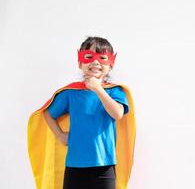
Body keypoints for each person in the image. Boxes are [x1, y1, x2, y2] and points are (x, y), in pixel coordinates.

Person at [27, 36, 136, 189]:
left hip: (104, 165)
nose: (95, 62)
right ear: (80, 63)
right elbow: (48, 113)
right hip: (75, 165)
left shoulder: (114, 91)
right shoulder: (71, 92)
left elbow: (117, 114)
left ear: (111, 64)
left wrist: (98, 89)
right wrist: (59, 134)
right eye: (89, 57)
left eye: (102, 57)